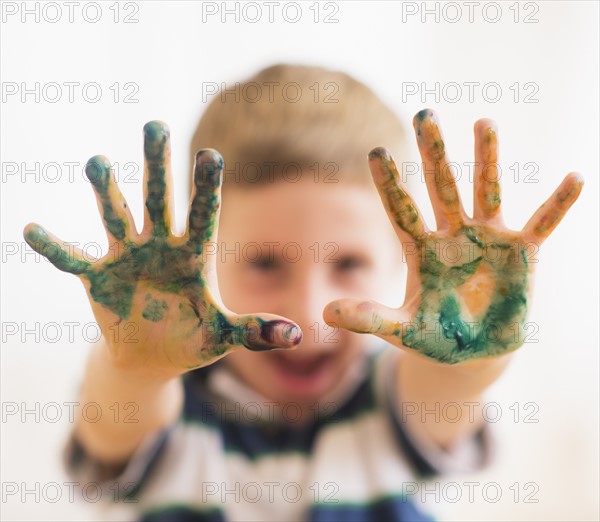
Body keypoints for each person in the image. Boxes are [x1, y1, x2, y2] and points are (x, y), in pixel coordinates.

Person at [24, 64, 583, 521]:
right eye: (264, 263)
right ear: (200, 259)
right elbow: (112, 427)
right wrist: (136, 368)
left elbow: (450, 390)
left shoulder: (392, 394)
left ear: (402, 258)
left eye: (349, 262)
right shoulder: (169, 402)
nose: (309, 316)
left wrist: (473, 358)